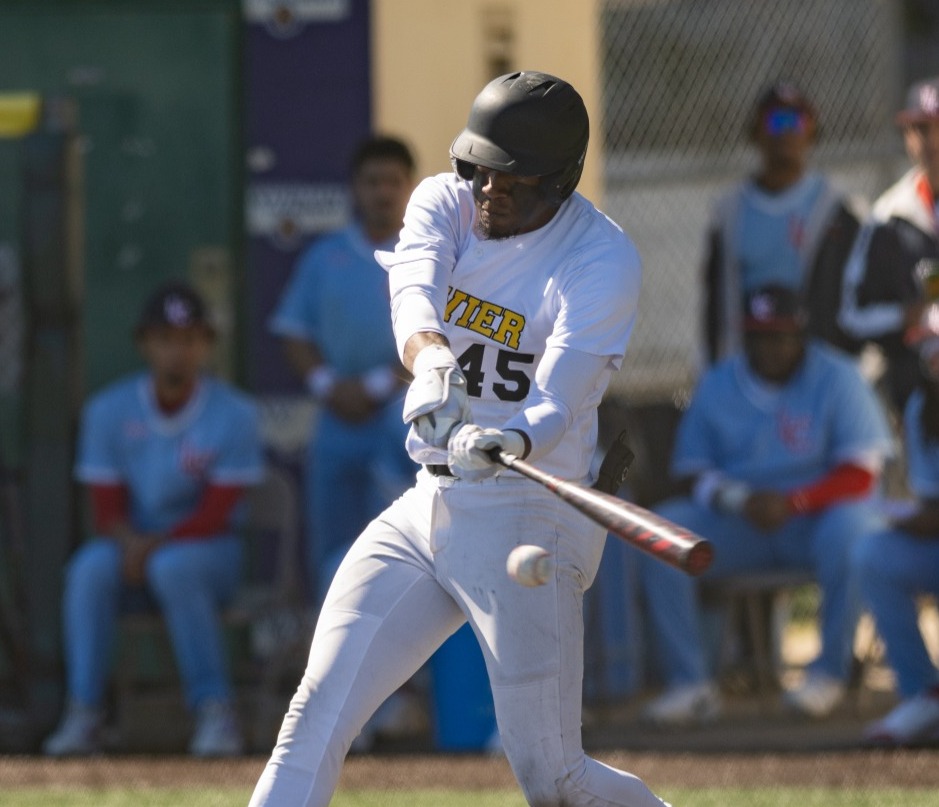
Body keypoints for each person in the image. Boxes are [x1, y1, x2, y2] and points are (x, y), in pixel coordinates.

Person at [249, 71, 671, 807]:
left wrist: (508, 440)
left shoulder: (600, 259)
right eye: (479, 168)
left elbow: (559, 401)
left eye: (512, 179)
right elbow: (412, 288)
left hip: (530, 518)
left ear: (562, 178)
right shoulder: (442, 198)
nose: (488, 191)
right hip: (430, 502)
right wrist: (433, 359)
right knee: (313, 712)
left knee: (554, 779)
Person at [637, 285, 893, 726]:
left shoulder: (838, 375)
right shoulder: (720, 382)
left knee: (854, 531)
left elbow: (862, 473)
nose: (769, 346)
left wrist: (794, 501)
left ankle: (830, 674)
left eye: (780, 335)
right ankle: (691, 684)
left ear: (801, 335)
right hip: (744, 521)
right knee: (664, 535)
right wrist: (741, 499)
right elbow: (693, 472)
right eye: (758, 336)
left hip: (815, 521)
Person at [42, 282, 263, 757]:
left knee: (174, 567)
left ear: (206, 344)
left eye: (189, 339)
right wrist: (132, 542)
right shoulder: (108, 410)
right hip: (133, 546)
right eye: (165, 339)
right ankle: (85, 713)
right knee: (87, 569)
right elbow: (106, 510)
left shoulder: (235, 414)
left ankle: (214, 711)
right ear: (145, 343)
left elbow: (215, 514)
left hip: (208, 554)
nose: (177, 352)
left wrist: (152, 546)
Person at [268, 135, 417, 604]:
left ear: (409, 187)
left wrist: (379, 385)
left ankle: (404, 673)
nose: (383, 193)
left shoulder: (426, 259)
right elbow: (293, 329)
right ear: (355, 188)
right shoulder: (324, 257)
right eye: (373, 182)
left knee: (399, 550)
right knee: (331, 551)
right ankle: (334, 666)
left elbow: (440, 337)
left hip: (399, 421)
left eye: (393, 182)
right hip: (335, 422)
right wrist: (327, 385)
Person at [704, 81, 864, 363]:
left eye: (796, 121)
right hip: (747, 370)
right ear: (756, 132)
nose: (786, 131)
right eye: (776, 120)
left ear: (812, 130)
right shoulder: (729, 212)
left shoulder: (837, 210)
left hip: (814, 373)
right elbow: (714, 306)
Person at [854, 335, 939, 746]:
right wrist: (915, 519)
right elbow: (928, 497)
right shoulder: (925, 406)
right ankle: (924, 694)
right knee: (874, 553)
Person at [839, 75, 939, 413]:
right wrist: (905, 316)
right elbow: (852, 314)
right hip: (918, 394)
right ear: (908, 137)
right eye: (923, 129)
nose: (934, 142)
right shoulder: (889, 218)